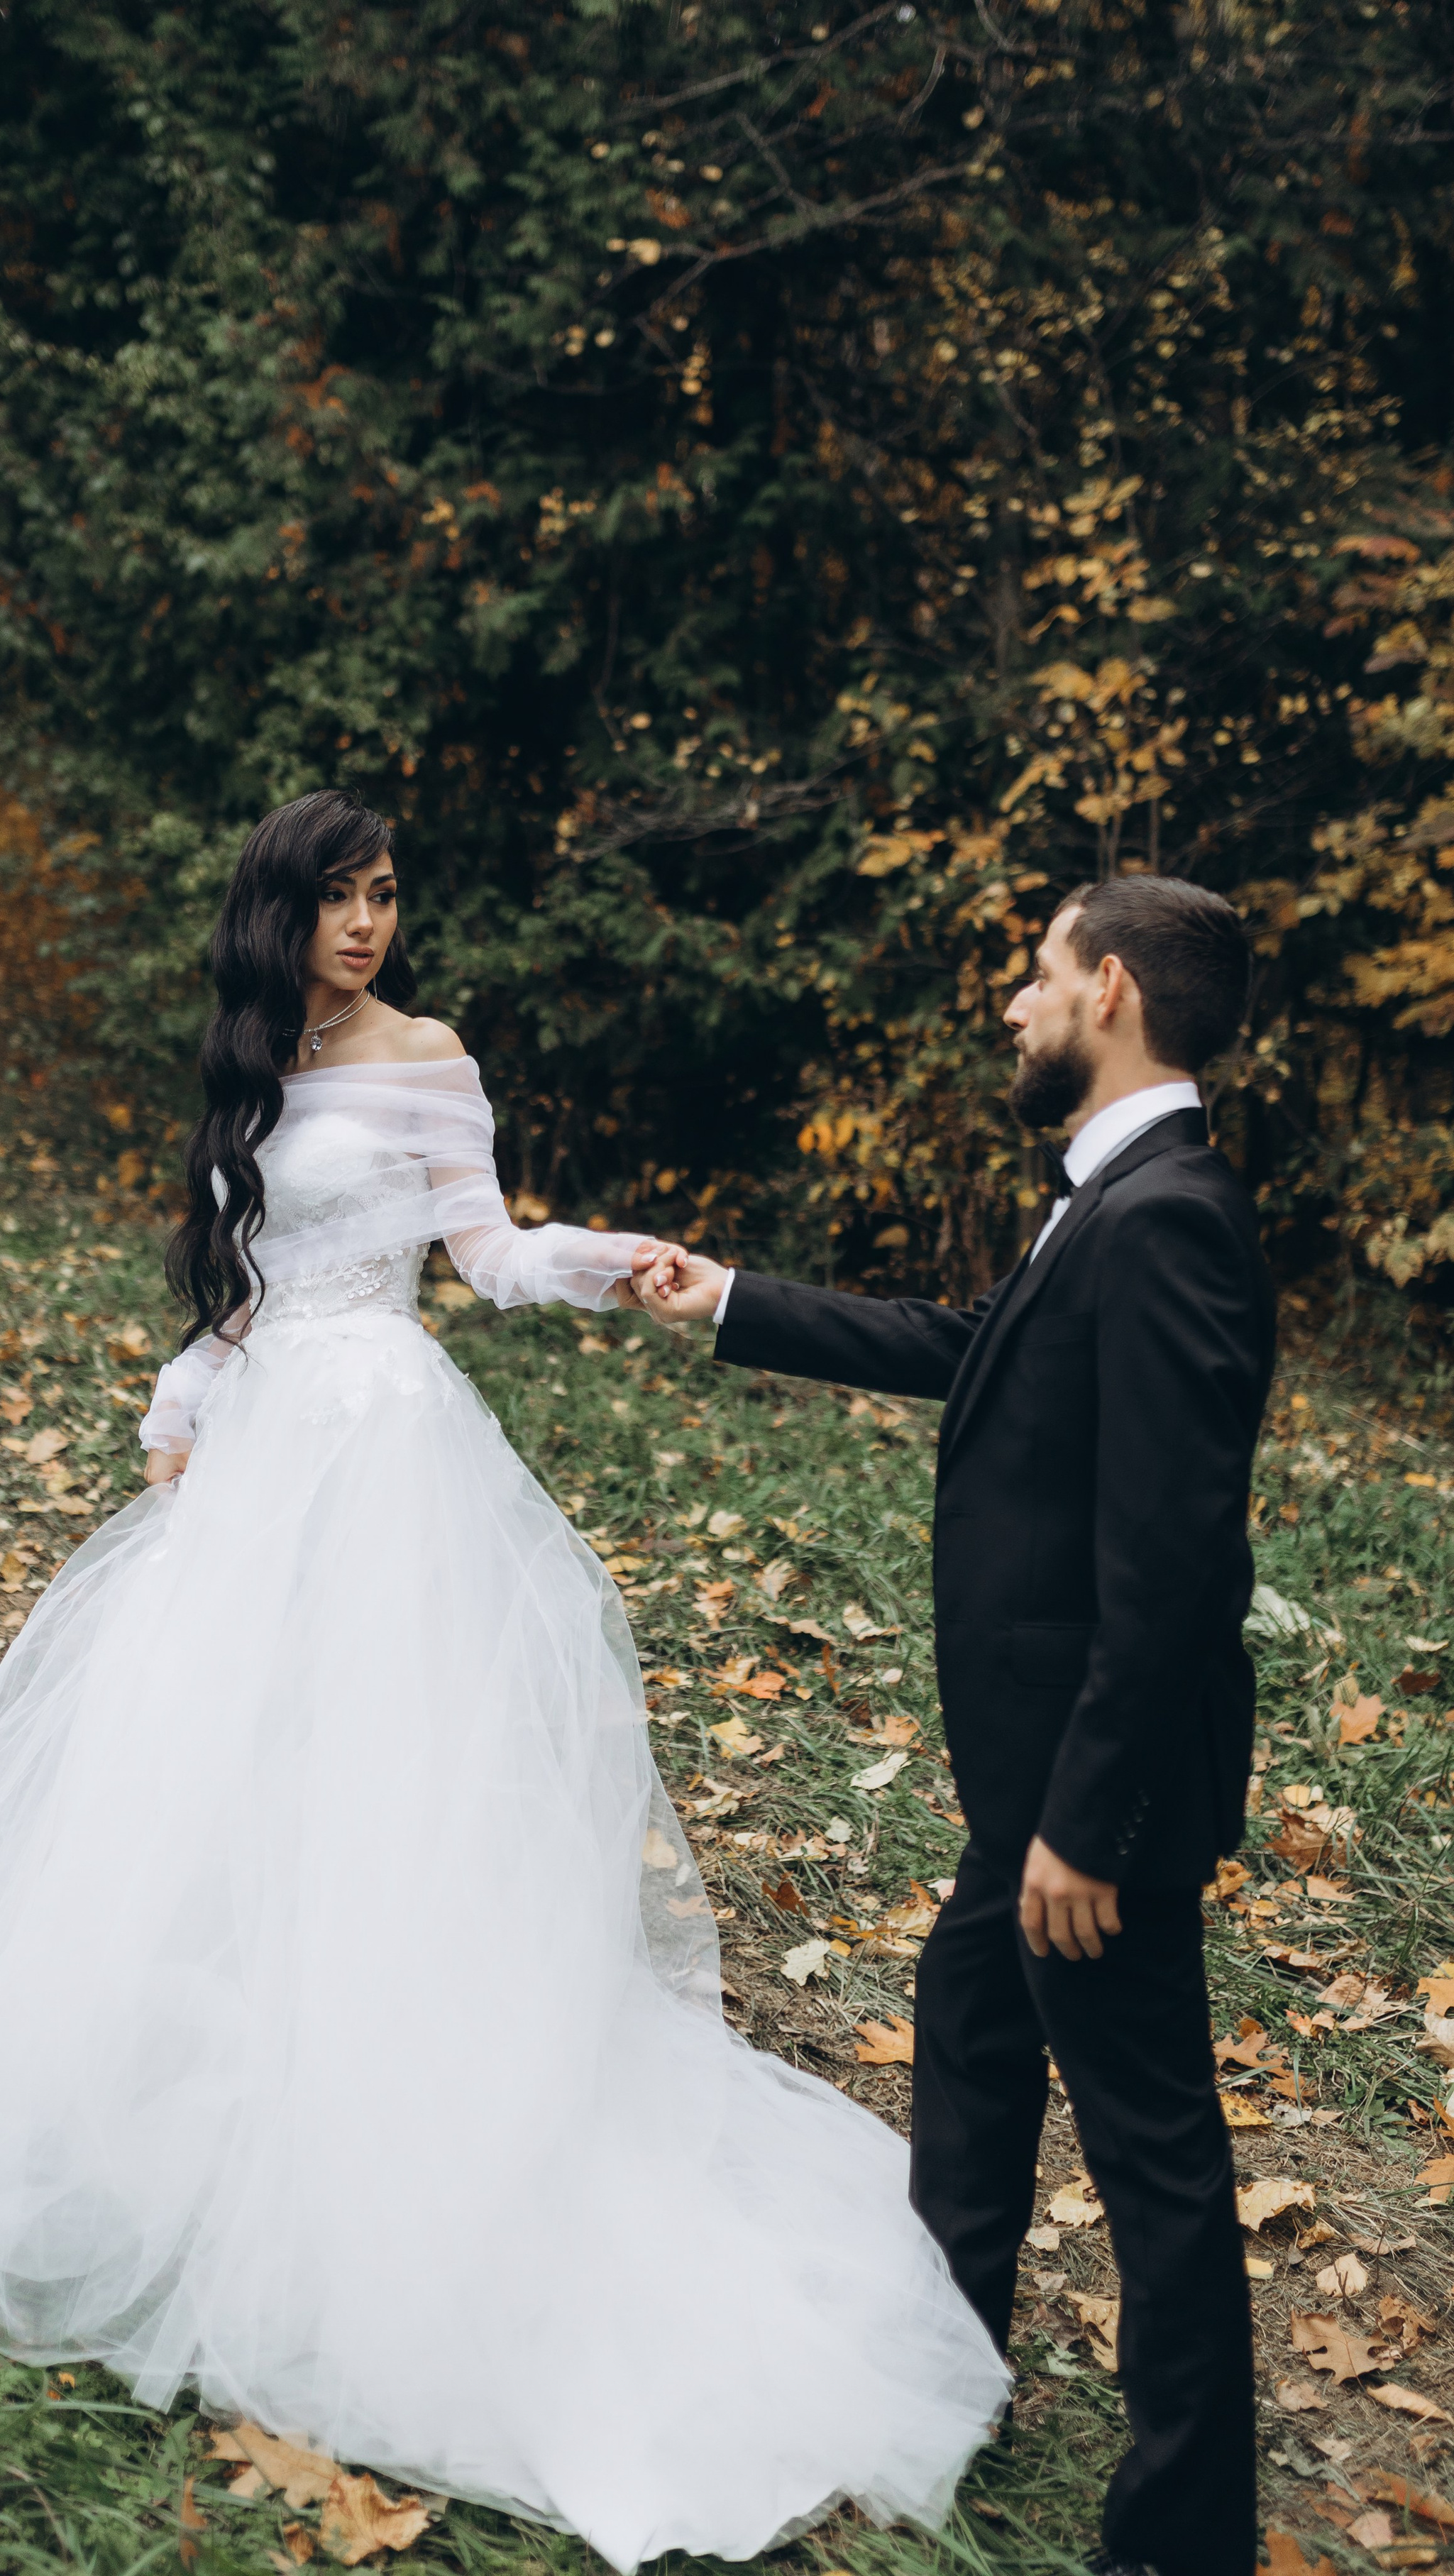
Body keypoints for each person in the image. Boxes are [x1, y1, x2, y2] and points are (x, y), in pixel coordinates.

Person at [0, 789, 1006, 2574]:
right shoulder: (252, 1059)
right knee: (209, 1779)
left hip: (387, 1451)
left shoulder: (431, 1056)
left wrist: (601, 1262)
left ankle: (402, 2138)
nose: (368, 923)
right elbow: (243, 1283)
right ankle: (203, 2124)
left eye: (387, 895)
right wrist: (181, 1405)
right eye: (341, 897)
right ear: (283, 910)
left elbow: (477, 1254)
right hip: (259, 1454)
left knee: (384, 1782)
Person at [642, 876, 1273, 2576]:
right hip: (1039, 1787)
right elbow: (974, 1347)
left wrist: (1082, 1820)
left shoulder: (1165, 1222)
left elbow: (1169, 1565)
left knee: (1151, 2154)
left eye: (1038, 970)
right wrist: (728, 1301)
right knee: (974, 2053)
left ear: (1113, 991)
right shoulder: (1114, 1196)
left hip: (1091, 1800)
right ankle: (939, 2373)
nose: (1012, 999)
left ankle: (1181, 2532)